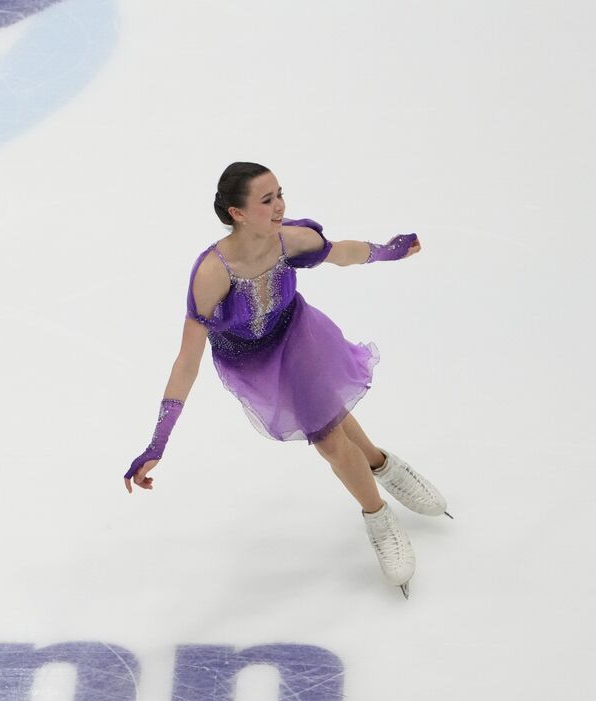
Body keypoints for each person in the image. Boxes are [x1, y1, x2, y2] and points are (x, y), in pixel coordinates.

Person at [122, 162, 449, 598]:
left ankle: (378, 516)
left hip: (299, 337)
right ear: (237, 213)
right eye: (267, 200)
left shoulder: (291, 241)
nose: (280, 207)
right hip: (251, 361)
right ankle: (381, 465)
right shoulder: (212, 272)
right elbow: (187, 358)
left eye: (280, 194)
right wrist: (158, 442)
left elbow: (342, 253)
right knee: (328, 421)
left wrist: (388, 250)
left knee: (329, 438)